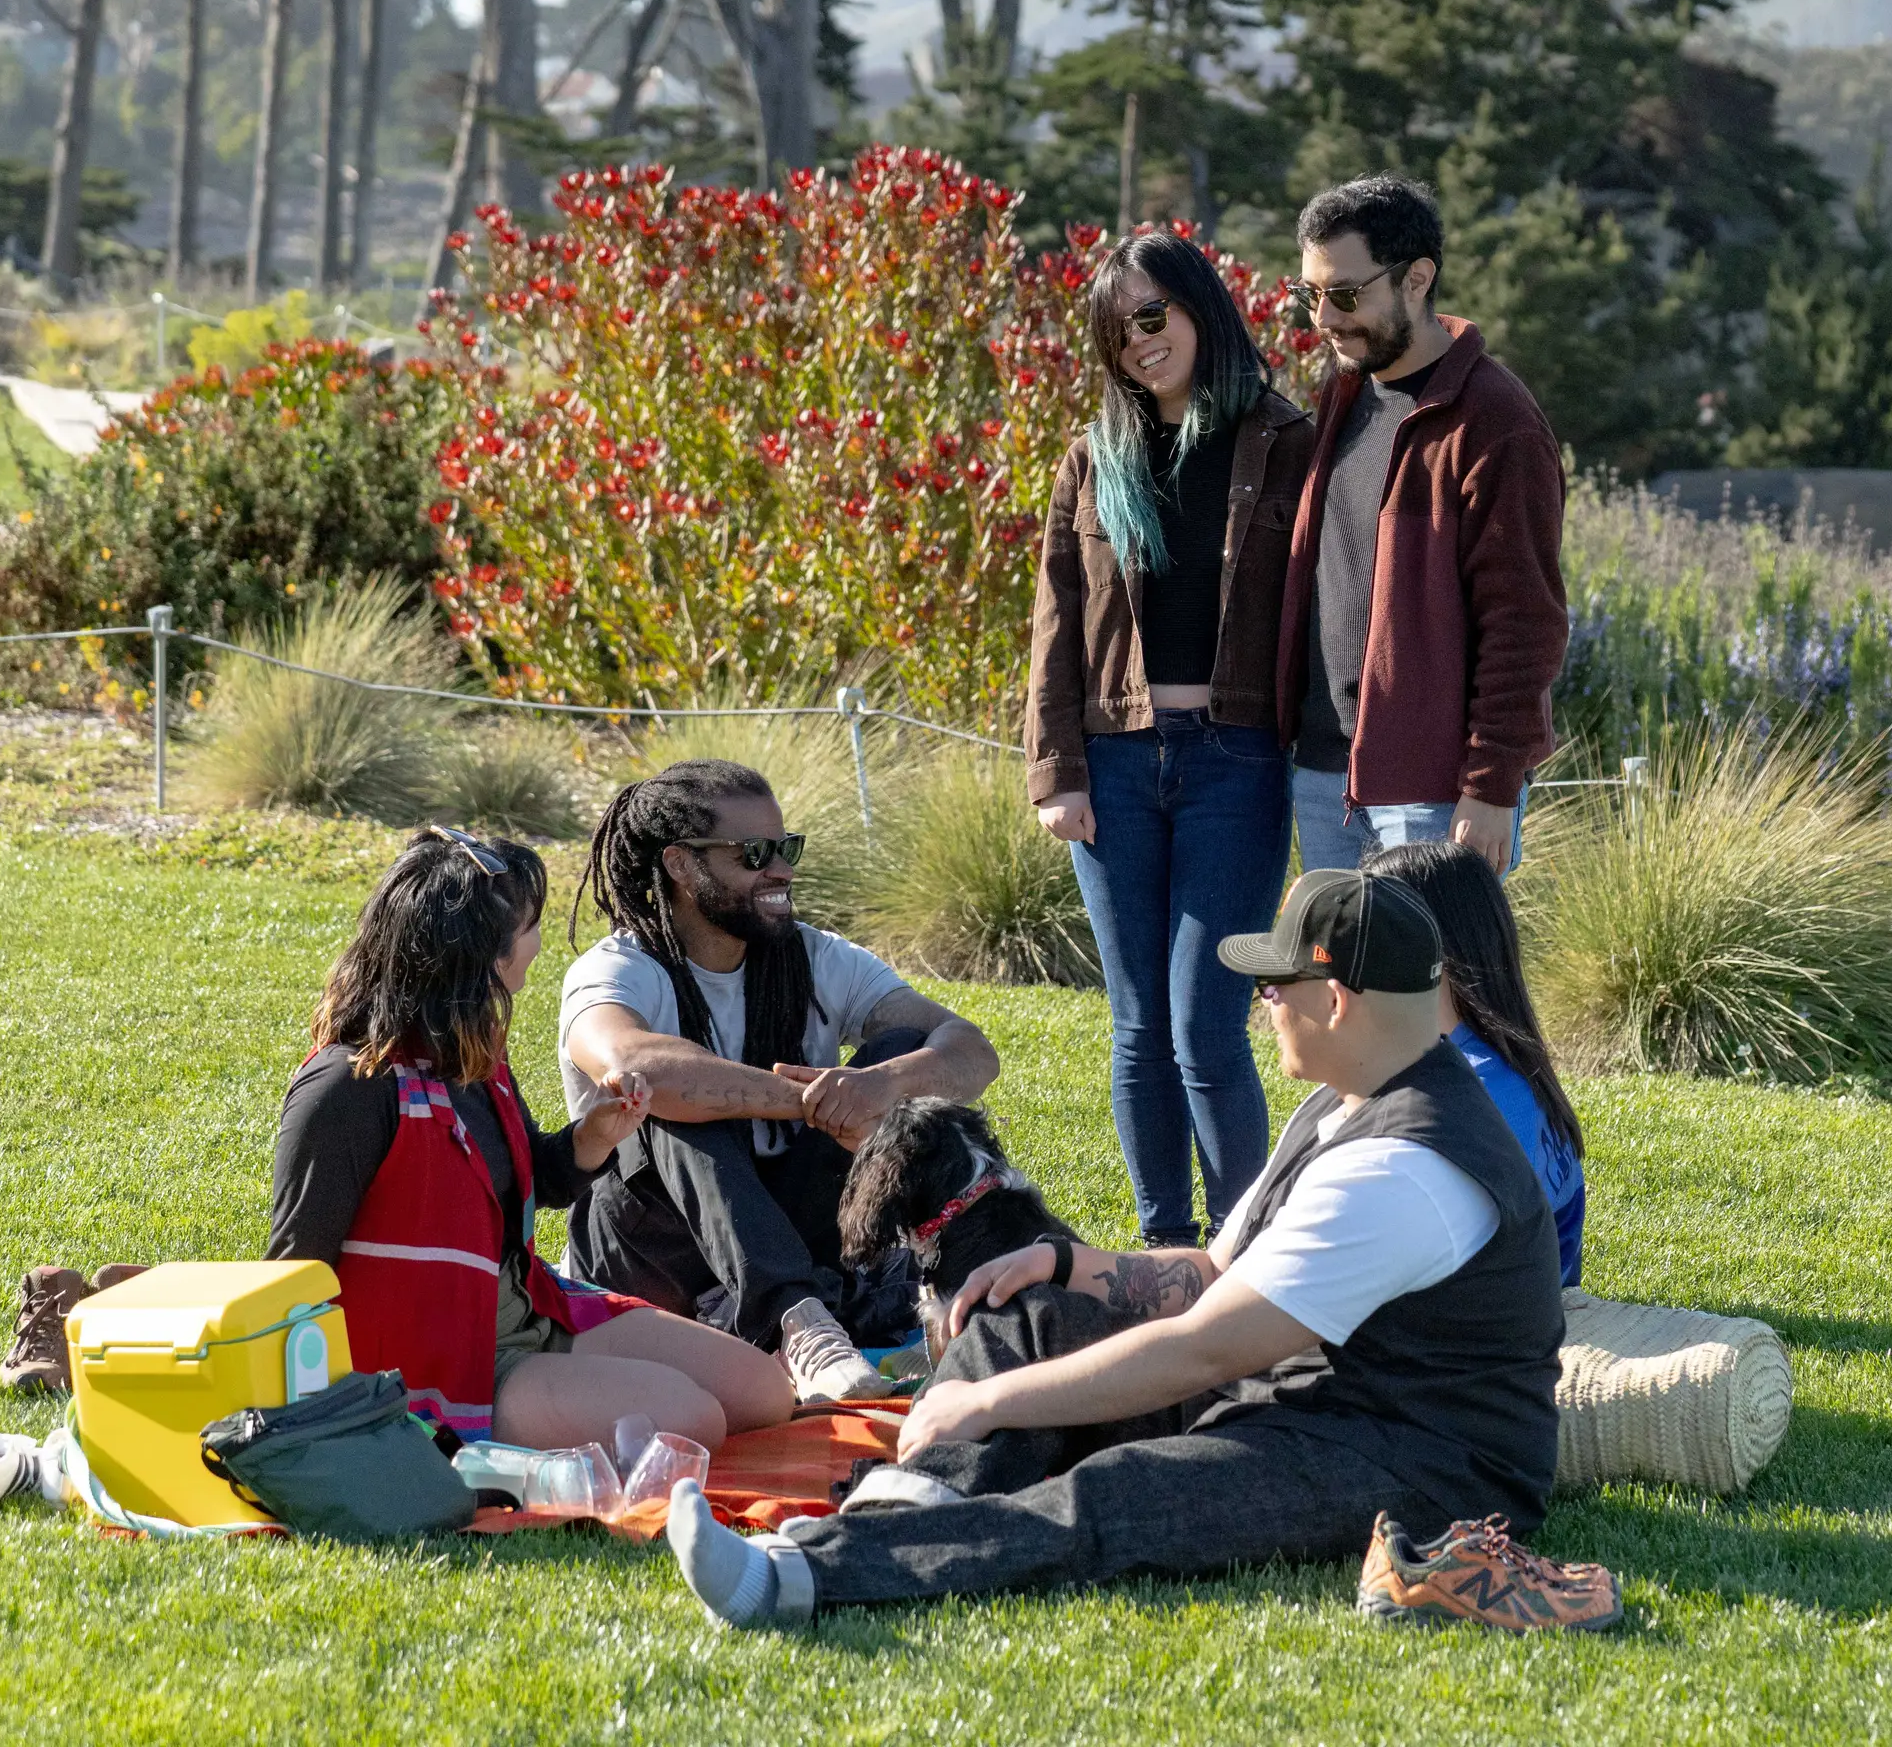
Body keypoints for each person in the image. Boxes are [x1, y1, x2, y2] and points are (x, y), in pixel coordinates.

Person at [662, 867, 1610, 1633]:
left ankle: (797, 1579)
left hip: (1413, 1461)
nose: (1262, 1001)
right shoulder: (1348, 1102)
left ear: (1333, 998)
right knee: (1022, 1314)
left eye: (1274, 984)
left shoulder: (1407, 1167)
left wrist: (984, 1398)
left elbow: (1204, 1346)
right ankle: (906, 1510)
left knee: (1117, 1500)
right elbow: (1213, 1273)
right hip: (1303, 1393)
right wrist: (1068, 1270)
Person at [271, 829, 793, 1453]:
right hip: (442, 1362)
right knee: (693, 1421)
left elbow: (534, 1183)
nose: (537, 944)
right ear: (488, 957)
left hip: (531, 1309)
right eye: (529, 927)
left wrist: (593, 1138)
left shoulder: (472, 1053)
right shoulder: (346, 1088)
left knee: (764, 1391)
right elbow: (295, 1271)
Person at [1027, 230, 1313, 1248]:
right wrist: (1057, 772)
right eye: (1117, 329)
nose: (1139, 342)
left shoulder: (1285, 441)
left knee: (1208, 1024)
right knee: (1140, 1026)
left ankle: (1247, 1246)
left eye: (1154, 315)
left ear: (1202, 308)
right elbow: (1057, 622)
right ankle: (1164, 1245)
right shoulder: (1092, 457)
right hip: (1113, 760)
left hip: (1236, 759)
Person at [558, 761, 1001, 1401]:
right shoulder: (619, 969)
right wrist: (809, 1101)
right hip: (651, 1253)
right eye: (756, 854)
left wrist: (880, 1083)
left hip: (789, 1230)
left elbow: (971, 1050)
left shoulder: (818, 958)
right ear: (682, 865)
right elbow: (631, 1062)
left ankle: (944, 1276)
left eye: (786, 848)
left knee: (905, 1051)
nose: (782, 871)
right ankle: (798, 1325)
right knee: (659, 1098)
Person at [1277, 173, 1570, 875]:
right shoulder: (1344, 396)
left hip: (1433, 795)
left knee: (1436, 987)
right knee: (1338, 986)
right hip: (1324, 776)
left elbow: (1525, 621)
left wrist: (1490, 786)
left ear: (1417, 278)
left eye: (1345, 295)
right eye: (1309, 294)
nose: (1324, 319)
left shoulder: (1496, 421)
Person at [1359, 841, 1586, 1287]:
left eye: (1370, 938)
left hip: (1485, 1334)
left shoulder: (1471, 1091)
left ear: (1429, 953)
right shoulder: (1500, 1067)